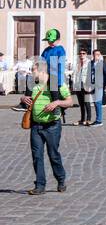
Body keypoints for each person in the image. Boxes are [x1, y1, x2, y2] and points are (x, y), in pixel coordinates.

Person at [23, 60, 75, 194]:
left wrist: (57, 102)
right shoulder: (32, 85)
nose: (31, 73)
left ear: (41, 71)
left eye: (33, 70)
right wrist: (23, 99)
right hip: (36, 125)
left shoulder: (55, 84)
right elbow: (26, 100)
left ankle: (61, 179)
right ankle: (40, 185)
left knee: (53, 154)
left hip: (52, 126)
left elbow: (70, 102)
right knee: (37, 156)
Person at [41, 28, 67, 93]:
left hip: (55, 78)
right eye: (48, 41)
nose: (50, 42)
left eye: (52, 41)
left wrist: (60, 81)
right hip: (46, 77)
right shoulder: (46, 50)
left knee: (55, 98)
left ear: (58, 40)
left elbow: (61, 66)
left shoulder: (60, 50)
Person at [88, 49, 106, 125]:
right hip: (92, 86)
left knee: (98, 102)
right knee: (95, 103)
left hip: (100, 85)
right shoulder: (90, 63)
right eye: (96, 54)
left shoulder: (102, 63)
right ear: (93, 55)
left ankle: (99, 121)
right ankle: (98, 119)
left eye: (99, 54)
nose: (97, 56)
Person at [72, 48, 93, 125]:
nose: (81, 55)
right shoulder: (77, 64)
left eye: (83, 53)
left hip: (86, 86)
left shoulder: (89, 63)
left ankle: (89, 119)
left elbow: (91, 75)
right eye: (80, 53)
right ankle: (82, 119)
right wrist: (73, 85)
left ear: (86, 55)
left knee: (87, 103)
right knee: (81, 104)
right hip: (78, 86)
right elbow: (74, 75)